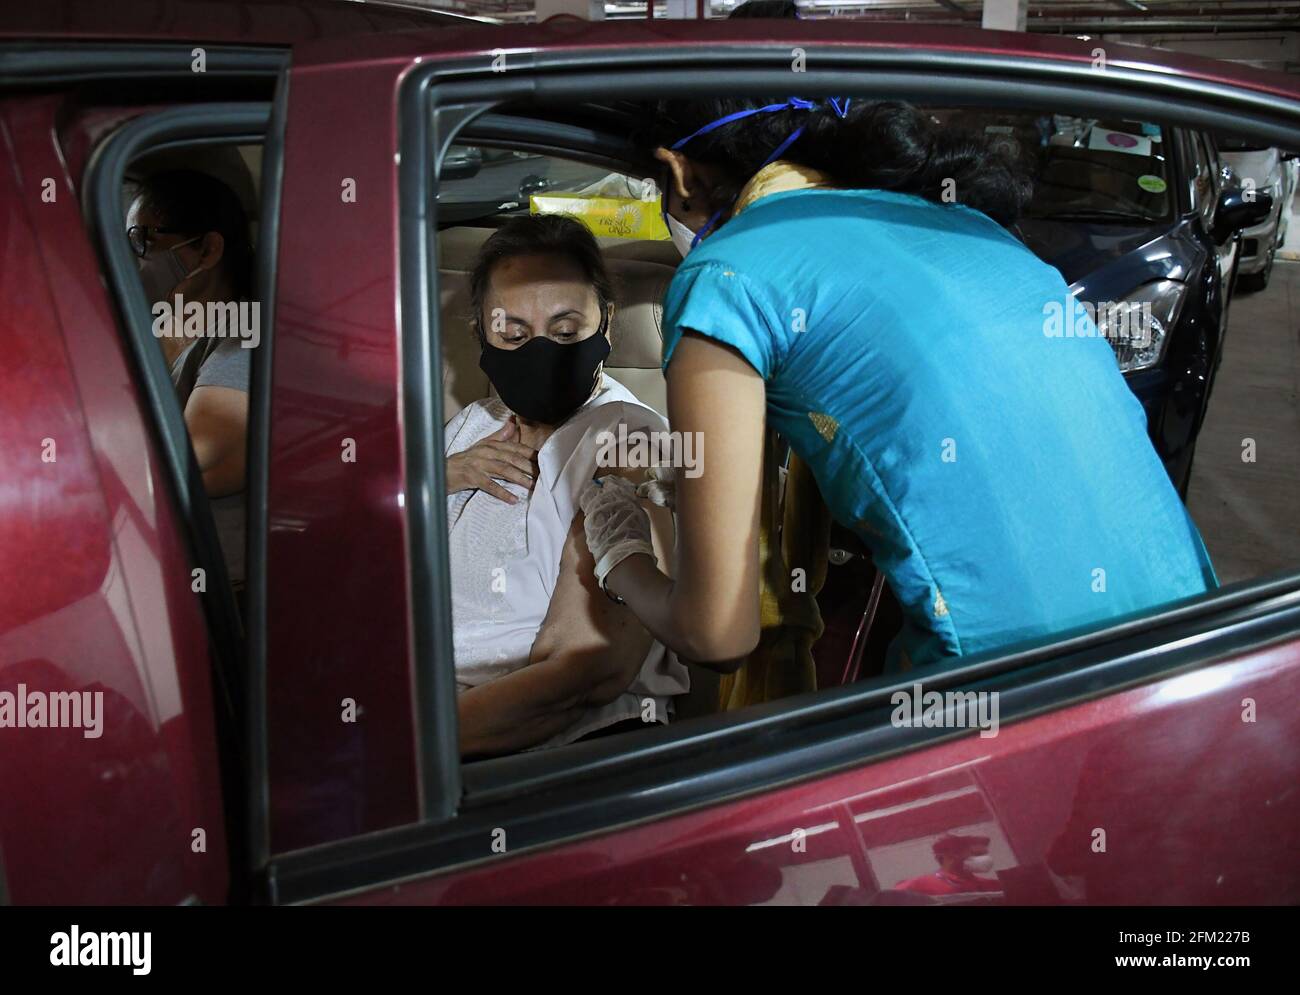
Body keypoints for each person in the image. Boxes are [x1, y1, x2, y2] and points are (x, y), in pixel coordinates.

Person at [577, 95, 1218, 676]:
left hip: (1015, 691)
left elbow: (715, 634)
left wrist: (618, 554)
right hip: (1200, 642)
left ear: (679, 172)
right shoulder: (970, 226)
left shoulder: (727, 276)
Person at [445, 215, 688, 757]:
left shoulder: (626, 441)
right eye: (513, 333)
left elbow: (585, 675)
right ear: (480, 331)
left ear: (604, 322)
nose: (540, 354)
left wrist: (401, 747)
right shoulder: (471, 428)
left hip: (552, 749)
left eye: (564, 331)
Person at [127, 169, 257, 592]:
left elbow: (192, 458)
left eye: (147, 240)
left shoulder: (242, 339)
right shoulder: (162, 336)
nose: (136, 257)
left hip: (217, 594)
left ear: (208, 250)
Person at [895, 834, 1003, 897]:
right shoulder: (917, 886)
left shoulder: (992, 886)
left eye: (985, 854)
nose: (986, 859)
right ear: (949, 857)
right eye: (976, 854)